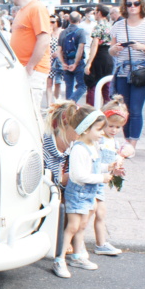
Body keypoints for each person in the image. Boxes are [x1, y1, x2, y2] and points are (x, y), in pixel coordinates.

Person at [54, 106, 113, 279]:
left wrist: (108, 168)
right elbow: (77, 175)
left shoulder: (92, 145)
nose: (102, 133)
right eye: (99, 129)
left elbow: (92, 167)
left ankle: (77, 255)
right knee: (72, 226)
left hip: (87, 193)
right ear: (86, 129)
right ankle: (59, 258)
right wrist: (101, 178)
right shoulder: (79, 149)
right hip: (78, 193)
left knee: (82, 225)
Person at [109, 0, 145, 148]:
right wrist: (115, 48)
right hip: (122, 71)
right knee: (123, 109)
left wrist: (142, 47)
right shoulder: (118, 25)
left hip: (141, 71)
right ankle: (126, 141)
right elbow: (111, 51)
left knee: (136, 109)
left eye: (136, 3)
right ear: (124, 6)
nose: (132, 6)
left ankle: (132, 144)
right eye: (129, 4)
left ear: (142, 5)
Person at [88, 96, 132, 256]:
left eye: (118, 127)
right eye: (111, 125)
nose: (114, 130)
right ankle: (74, 242)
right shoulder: (98, 139)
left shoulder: (114, 142)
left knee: (100, 213)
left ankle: (101, 244)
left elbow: (124, 153)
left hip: (101, 182)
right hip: (91, 180)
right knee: (88, 213)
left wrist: (118, 166)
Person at [9, 0, 52, 111]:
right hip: (25, 68)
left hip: (33, 69)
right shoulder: (25, 9)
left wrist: (31, 65)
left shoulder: (36, 8)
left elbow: (44, 39)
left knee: (31, 111)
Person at [84, 5, 115, 106]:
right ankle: (108, 109)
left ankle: (91, 110)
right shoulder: (111, 26)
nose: (94, 15)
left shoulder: (98, 27)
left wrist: (89, 63)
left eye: (95, 12)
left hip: (99, 56)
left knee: (93, 84)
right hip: (109, 55)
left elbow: (94, 45)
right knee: (106, 86)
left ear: (99, 13)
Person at [58, 11, 88, 103]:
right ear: (79, 19)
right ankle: (71, 102)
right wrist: (75, 63)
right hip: (78, 62)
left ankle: (67, 108)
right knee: (82, 86)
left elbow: (59, 50)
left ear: (69, 19)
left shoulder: (63, 32)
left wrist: (63, 63)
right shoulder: (81, 32)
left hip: (66, 61)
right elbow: (80, 48)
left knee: (68, 86)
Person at [46, 15, 65, 105]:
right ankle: (49, 103)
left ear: (58, 23)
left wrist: (59, 52)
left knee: (58, 82)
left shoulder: (62, 32)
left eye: (53, 22)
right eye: (49, 21)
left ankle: (57, 102)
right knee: (49, 83)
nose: (51, 24)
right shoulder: (47, 33)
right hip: (49, 60)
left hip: (59, 60)